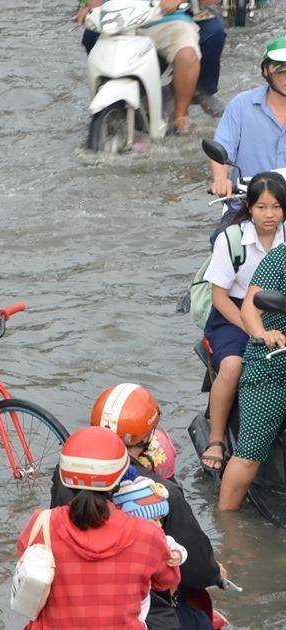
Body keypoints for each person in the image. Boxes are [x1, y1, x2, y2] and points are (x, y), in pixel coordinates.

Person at [51, 384, 224, 629]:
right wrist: (215, 574)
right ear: (146, 438)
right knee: (199, 622)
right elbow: (191, 567)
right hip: (139, 610)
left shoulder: (64, 477)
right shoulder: (160, 497)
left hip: (69, 606)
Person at [19, 426, 180, 629]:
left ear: (65, 477)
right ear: (120, 478)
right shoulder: (148, 535)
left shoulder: (40, 525)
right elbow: (167, 580)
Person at [201, 173, 286, 471]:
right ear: (250, 207)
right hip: (232, 314)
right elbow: (219, 297)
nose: (269, 215)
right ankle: (216, 438)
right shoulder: (232, 239)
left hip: (279, 311)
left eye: (276, 207)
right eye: (262, 207)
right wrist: (253, 329)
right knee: (233, 364)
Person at [220, 217, 286, 510]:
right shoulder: (279, 259)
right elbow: (250, 307)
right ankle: (227, 529)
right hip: (274, 360)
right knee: (249, 455)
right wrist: (263, 334)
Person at [76, 1, 225, 118]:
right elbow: (93, 4)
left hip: (165, 18)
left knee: (187, 54)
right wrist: (90, 8)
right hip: (119, 21)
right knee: (91, 37)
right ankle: (109, 102)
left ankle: (181, 114)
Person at [209, 36, 286, 198]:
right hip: (247, 203)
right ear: (266, 71)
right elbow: (222, 149)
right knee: (228, 225)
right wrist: (220, 179)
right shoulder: (241, 105)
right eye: (281, 70)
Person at [113, 475, 189, 628]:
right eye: (154, 519)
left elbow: (178, 547)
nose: (160, 524)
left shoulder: (162, 539)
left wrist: (177, 555)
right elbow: (168, 579)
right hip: (149, 599)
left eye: (160, 519)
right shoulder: (146, 541)